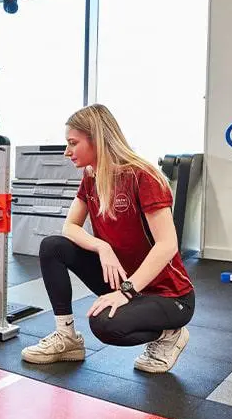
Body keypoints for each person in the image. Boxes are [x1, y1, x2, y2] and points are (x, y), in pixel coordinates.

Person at [20, 104, 195, 374]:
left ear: (97, 139)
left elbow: (167, 244)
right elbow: (70, 227)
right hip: (124, 279)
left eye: (73, 143)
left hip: (170, 296)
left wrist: (126, 292)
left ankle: (170, 334)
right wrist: (102, 247)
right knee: (53, 246)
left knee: (104, 325)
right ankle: (66, 337)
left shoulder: (143, 176)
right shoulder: (91, 177)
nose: (67, 151)